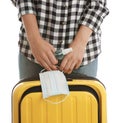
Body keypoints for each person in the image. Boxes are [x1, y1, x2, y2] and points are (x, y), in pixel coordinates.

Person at [11, 0, 109, 79]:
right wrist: (35, 40)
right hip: (34, 54)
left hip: (82, 55)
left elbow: (99, 3)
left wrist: (80, 43)